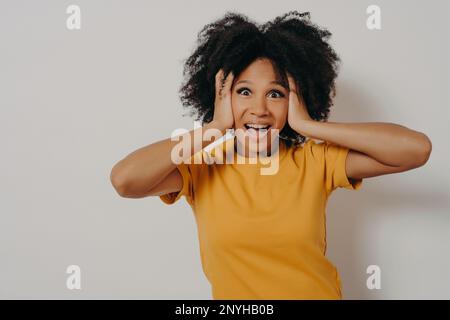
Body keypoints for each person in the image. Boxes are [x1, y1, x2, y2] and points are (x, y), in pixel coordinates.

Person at [110, 11, 432, 299]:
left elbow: (416, 150)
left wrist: (309, 126)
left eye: (275, 94)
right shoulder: (200, 166)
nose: (260, 109)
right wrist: (215, 126)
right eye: (244, 92)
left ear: (295, 100)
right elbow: (125, 180)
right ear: (221, 96)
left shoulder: (314, 162)